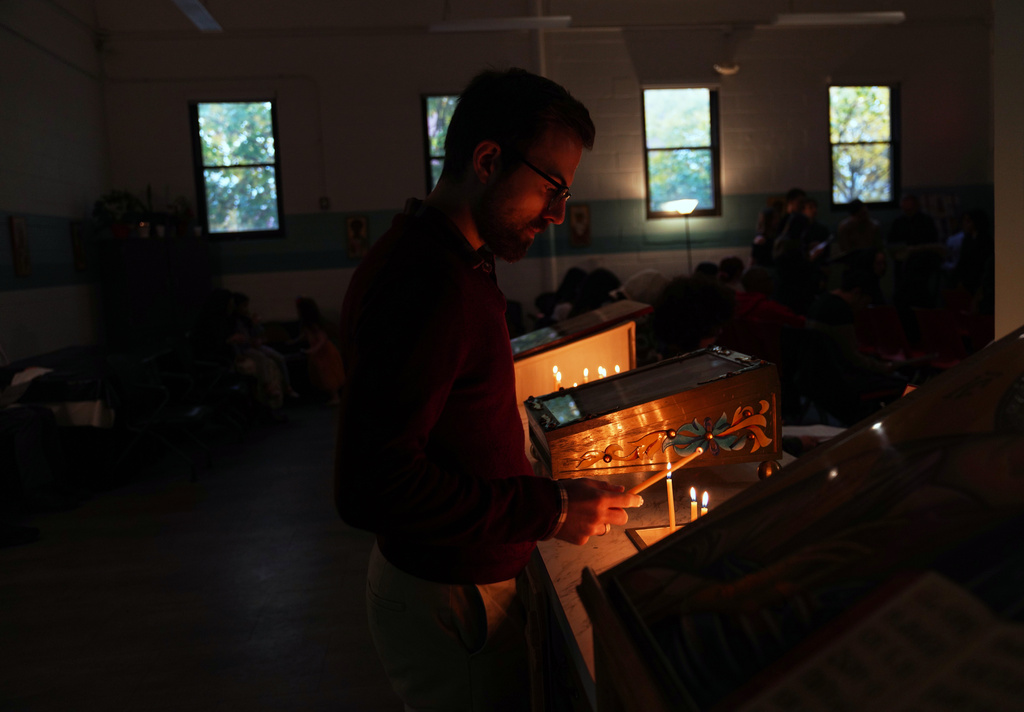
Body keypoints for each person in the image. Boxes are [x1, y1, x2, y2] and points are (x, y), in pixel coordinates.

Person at [334, 67, 642, 712]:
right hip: (450, 593)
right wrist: (549, 510)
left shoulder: (448, 260)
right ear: (488, 158)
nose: (558, 214)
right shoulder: (428, 281)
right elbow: (373, 485)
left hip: (459, 579)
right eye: (551, 187)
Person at [232, 292, 299, 398]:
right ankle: (268, 386)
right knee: (262, 359)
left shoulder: (247, 319)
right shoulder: (235, 321)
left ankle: (287, 387)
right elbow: (241, 340)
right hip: (246, 348)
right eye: (244, 306)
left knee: (280, 358)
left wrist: (255, 324)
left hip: (256, 346)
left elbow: (260, 333)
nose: (246, 308)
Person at [294, 297, 344, 405]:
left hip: (325, 353)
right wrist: (295, 341)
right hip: (318, 353)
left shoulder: (314, 324)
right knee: (321, 374)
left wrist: (312, 350)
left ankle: (336, 397)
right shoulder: (307, 324)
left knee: (328, 374)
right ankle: (331, 395)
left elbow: (322, 339)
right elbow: (305, 335)